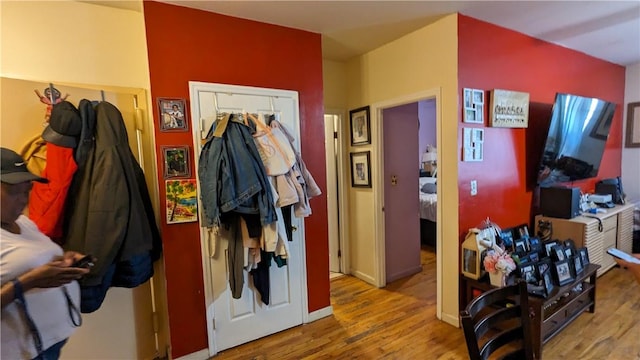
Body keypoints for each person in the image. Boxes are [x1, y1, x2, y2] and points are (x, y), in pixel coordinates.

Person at [1, 147, 90, 360]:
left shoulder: (22, 222)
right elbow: (27, 274)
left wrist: (65, 261)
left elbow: (34, 258)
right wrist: (28, 282)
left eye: (27, 190)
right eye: (15, 192)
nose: (24, 200)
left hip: (47, 343)